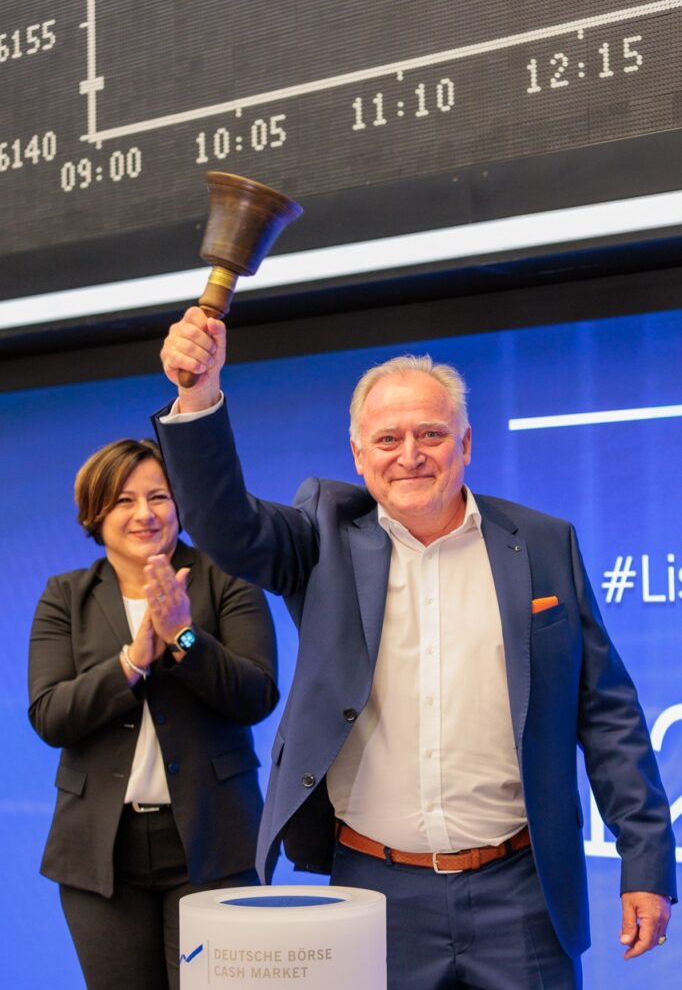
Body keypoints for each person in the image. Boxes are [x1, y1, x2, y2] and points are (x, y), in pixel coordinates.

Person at [153, 307, 676, 990]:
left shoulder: (544, 545)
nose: (410, 455)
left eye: (431, 434)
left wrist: (646, 863)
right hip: (376, 892)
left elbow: (607, 714)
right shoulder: (322, 539)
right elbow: (225, 522)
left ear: (465, 445)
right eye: (388, 438)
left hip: (521, 889)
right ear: (358, 456)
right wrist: (198, 395)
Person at [28, 437, 278, 990]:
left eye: (159, 496)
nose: (145, 514)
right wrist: (134, 660)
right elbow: (50, 715)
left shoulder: (226, 577)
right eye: (124, 500)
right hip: (101, 853)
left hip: (214, 838)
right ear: (95, 514)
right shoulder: (65, 596)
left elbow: (256, 695)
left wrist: (184, 637)